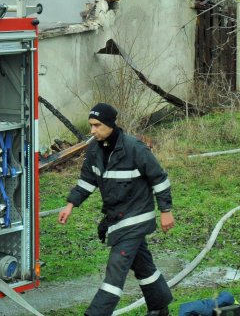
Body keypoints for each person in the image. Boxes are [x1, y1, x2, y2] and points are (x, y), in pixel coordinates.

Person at [58, 103, 175, 316]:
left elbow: (159, 179)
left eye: (97, 125)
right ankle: (159, 307)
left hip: (136, 218)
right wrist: (70, 205)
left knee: (116, 269)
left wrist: (165, 211)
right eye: (91, 125)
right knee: (143, 266)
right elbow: (87, 180)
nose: (92, 131)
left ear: (111, 125)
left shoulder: (135, 148)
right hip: (116, 218)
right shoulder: (94, 149)